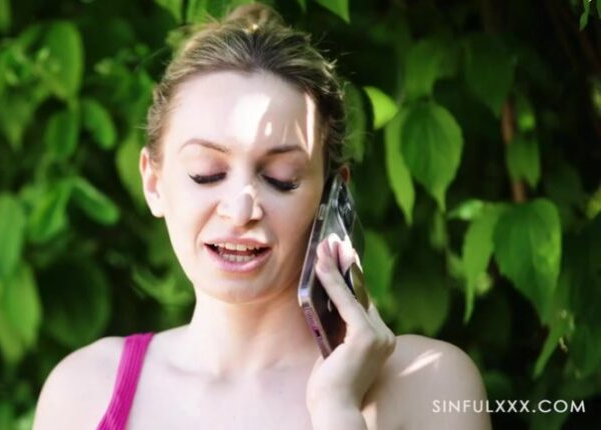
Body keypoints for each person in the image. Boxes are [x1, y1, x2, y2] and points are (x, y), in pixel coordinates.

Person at [34, 4, 491, 429]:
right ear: (154, 183)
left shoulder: (429, 384)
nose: (241, 211)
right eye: (206, 173)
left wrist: (338, 409)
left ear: (334, 195)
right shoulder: (82, 392)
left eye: (281, 178)